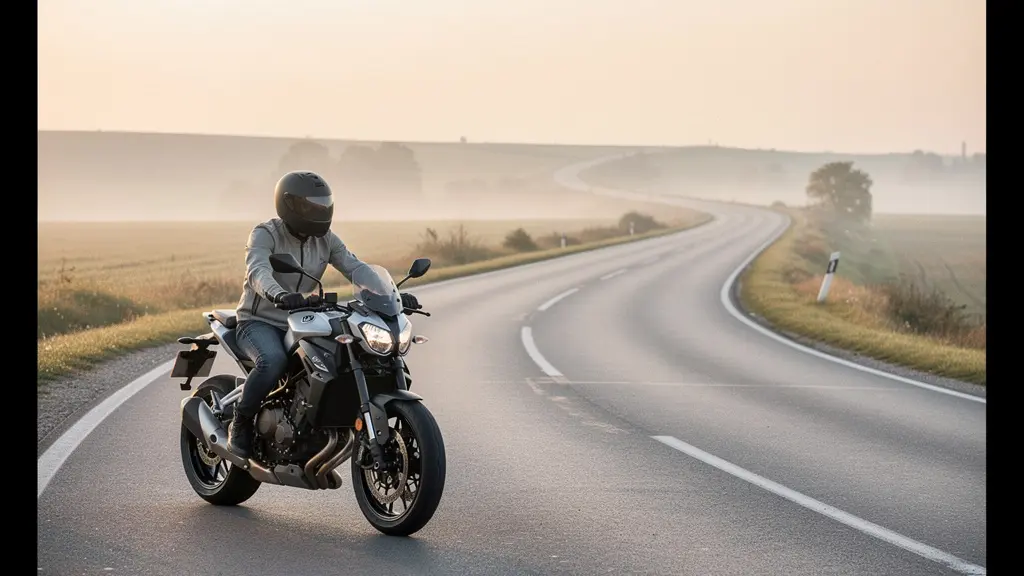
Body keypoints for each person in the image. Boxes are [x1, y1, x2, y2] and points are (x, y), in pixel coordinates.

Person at [226, 170, 422, 459]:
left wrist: (386, 293)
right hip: (260, 321)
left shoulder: (326, 239)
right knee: (273, 362)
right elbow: (258, 271)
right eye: (311, 205)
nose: (318, 211)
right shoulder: (265, 234)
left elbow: (355, 267)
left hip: (301, 317)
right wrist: (279, 294)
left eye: (323, 204)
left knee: (341, 354)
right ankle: (239, 423)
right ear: (289, 205)